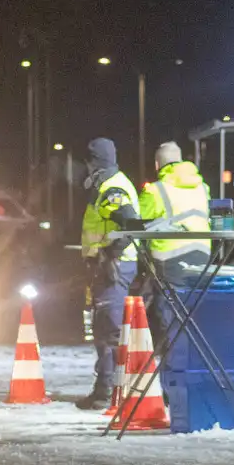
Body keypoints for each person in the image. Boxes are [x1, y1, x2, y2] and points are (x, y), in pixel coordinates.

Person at [76, 137, 141, 410]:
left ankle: (108, 392)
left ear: (94, 163)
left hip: (114, 268)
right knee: (103, 328)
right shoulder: (109, 185)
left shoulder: (111, 188)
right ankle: (106, 388)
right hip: (108, 267)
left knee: (109, 331)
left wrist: (109, 254)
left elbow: (131, 224)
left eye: (88, 163)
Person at [139, 141, 212, 343]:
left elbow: (139, 223)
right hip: (203, 254)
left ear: (157, 165)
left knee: (169, 310)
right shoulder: (202, 187)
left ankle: (175, 359)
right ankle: (194, 356)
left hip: (170, 257)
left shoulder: (156, 190)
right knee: (193, 307)